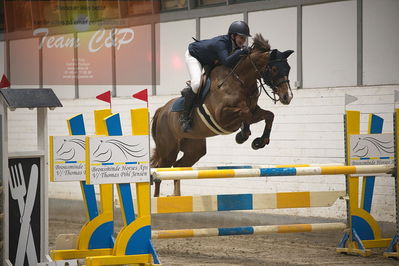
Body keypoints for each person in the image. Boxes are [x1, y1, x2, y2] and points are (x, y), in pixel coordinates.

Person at [180, 20, 252, 132]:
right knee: (197, 84)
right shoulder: (222, 43)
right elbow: (227, 61)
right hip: (194, 55)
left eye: (245, 39)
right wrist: (241, 51)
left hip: (209, 59)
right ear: (233, 36)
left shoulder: (234, 45)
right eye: (241, 38)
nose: (243, 41)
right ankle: (184, 118)